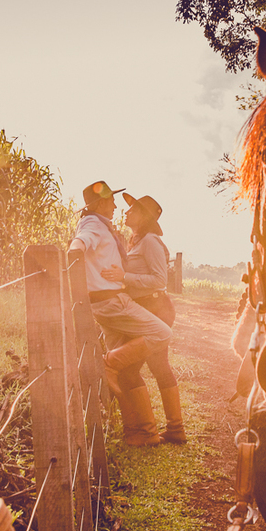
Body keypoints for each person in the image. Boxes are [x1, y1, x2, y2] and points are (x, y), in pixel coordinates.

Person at [69, 181, 172, 447]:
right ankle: (109, 362)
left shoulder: (112, 230)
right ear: (100, 203)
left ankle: (141, 432)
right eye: (112, 201)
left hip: (110, 302)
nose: (116, 205)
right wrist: (75, 281)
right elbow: (77, 247)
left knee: (129, 371)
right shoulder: (93, 224)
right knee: (162, 333)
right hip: (111, 303)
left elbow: (156, 278)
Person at [102, 193, 185, 444]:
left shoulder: (150, 241)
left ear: (144, 216)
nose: (126, 212)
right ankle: (174, 429)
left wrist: (123, 277)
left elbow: (160, 280)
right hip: (145, 307)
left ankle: (148, 432)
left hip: (155, 307)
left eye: (132, 209)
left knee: (129, 370)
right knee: (159, 367)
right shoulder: (136, 241)